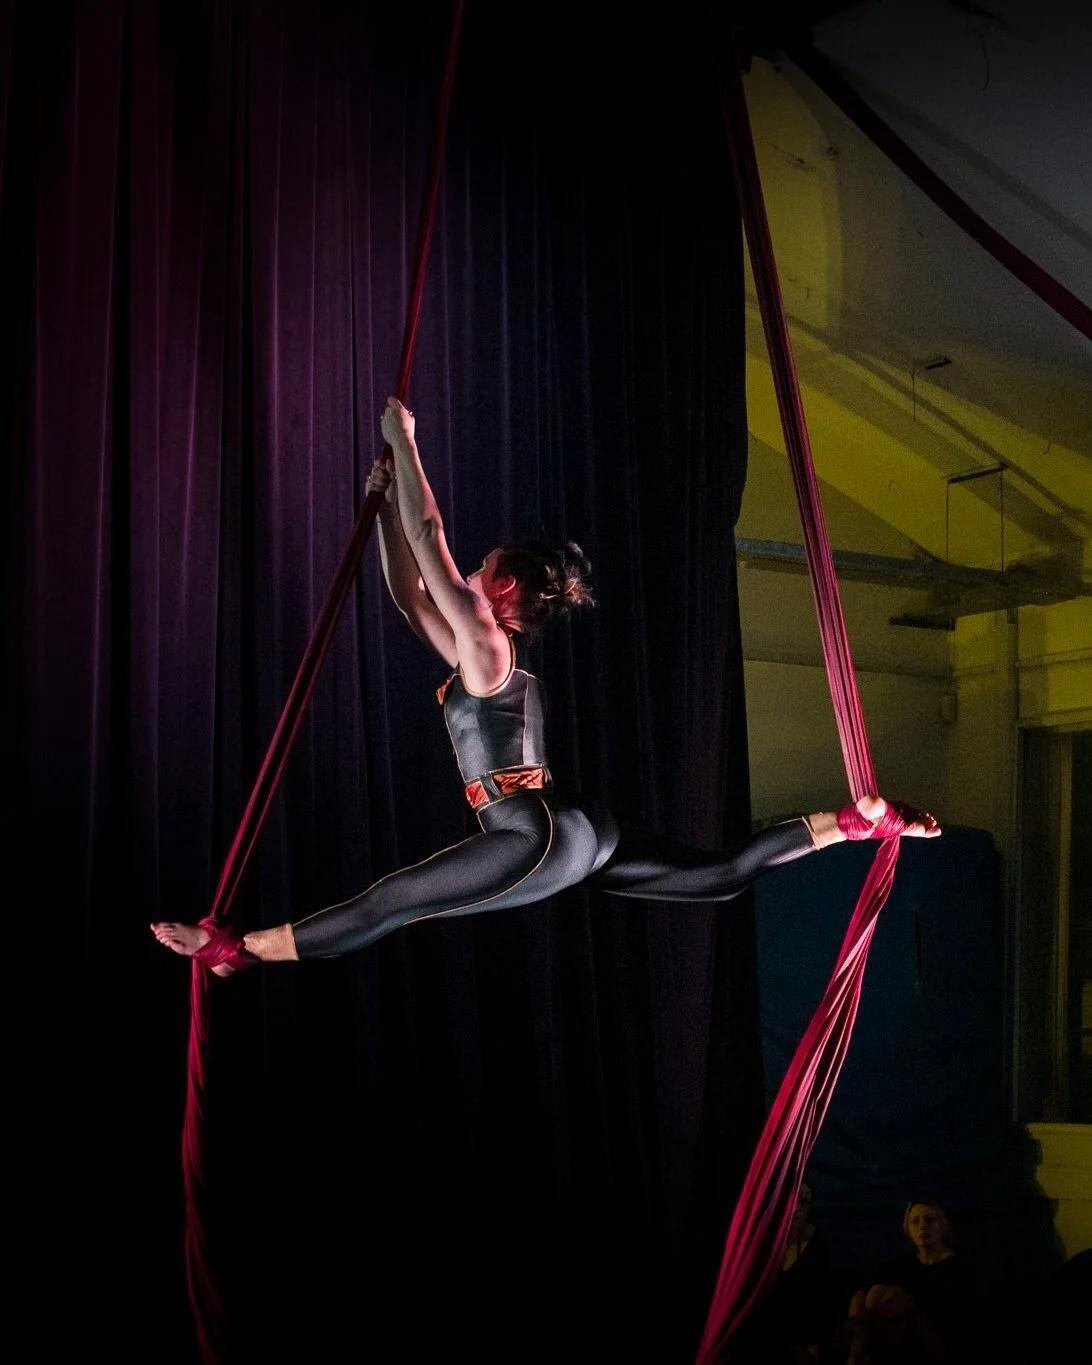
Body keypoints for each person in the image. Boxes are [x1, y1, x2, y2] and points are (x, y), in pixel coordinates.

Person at [151, 396, 941, 976]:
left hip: (533, 835)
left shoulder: (489, 644)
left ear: (501, 590)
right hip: (571, 827)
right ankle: (852, 821)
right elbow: (406, 591)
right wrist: (382, 505)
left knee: (394, 901)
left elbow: (429, 543)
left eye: (479, 568)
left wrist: (405, 440)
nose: (465, 572)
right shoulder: (483, 656)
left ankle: (237, 950)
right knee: (719, 877)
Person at [839, 1198, 977, 1364]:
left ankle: (856, 1347)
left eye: (930, 1219)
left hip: (938, 1340)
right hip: (897, 1338)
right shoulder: (900, 1265)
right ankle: (859, 1345)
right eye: (915, 1221)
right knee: (865, 1296)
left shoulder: (958, 1267)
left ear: (943, 1226)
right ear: (908, 1230)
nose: (922, 1226)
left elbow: (958, 1321)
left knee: (898, 1299)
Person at [733, 1177, 849, 1364]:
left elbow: (822, 1302)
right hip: (763, 1339)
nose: (797, 1209)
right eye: (792, 1200)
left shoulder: (817, 1245)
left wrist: (811, 1346)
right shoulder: (760, 1242)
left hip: (800, 1342)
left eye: (804, 1202)